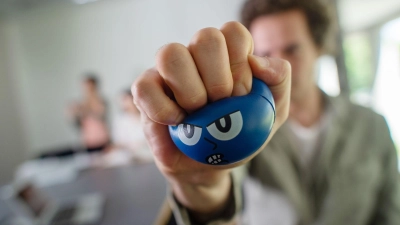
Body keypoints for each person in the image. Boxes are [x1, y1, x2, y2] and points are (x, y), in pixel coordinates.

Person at [132, 0, 400, 224]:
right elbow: (222, 196)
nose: (280, 64)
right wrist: (200, 187)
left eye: (292, 49)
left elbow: (391, 211)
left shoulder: (372, 125)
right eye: (264, 54)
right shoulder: (241, 128)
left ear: (319, 47)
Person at [107, 89, 153, 165]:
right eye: (122, 101)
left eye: (125, 99)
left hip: (147, 154)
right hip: (128, 156)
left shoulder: (148, 116)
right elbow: (118, 142)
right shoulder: (120, 120)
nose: (124, 104)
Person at [68, 74, 110, 153]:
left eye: (90, 87)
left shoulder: (102, 101)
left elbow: (101, 116)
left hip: (102, 140)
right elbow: (77, 125)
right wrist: (72, 115)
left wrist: (85, 110)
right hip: (87, 141)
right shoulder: (80, 104)